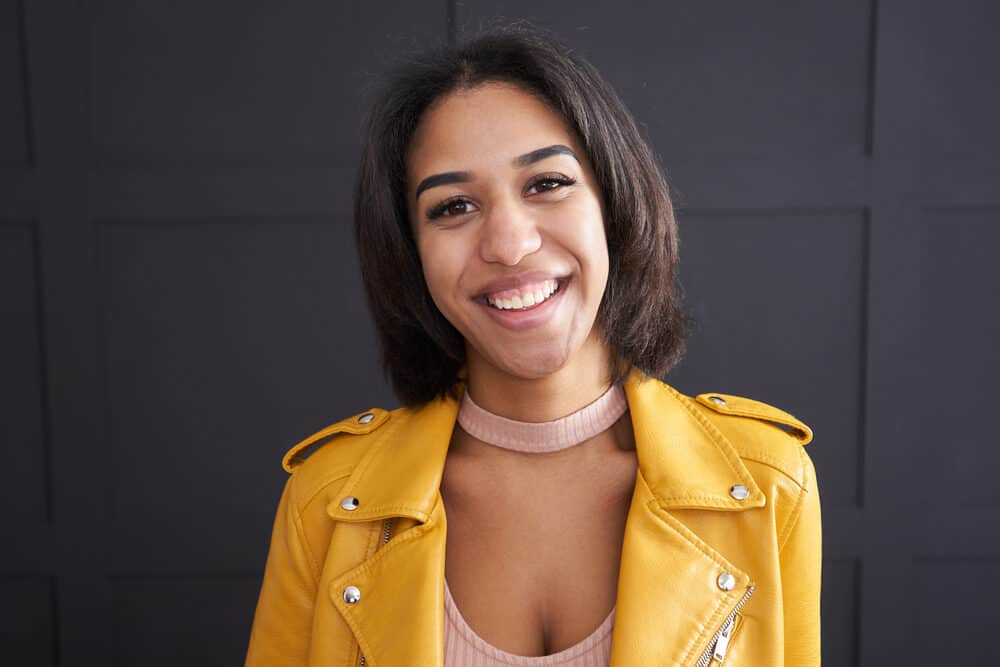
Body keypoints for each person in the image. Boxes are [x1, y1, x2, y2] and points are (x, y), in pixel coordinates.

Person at [246, 24, 821, 667]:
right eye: (454, 206)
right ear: (411, 254)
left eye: (546, 184)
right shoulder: (328, 502)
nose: (509, 244)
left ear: (614, 202)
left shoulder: (768, 484)